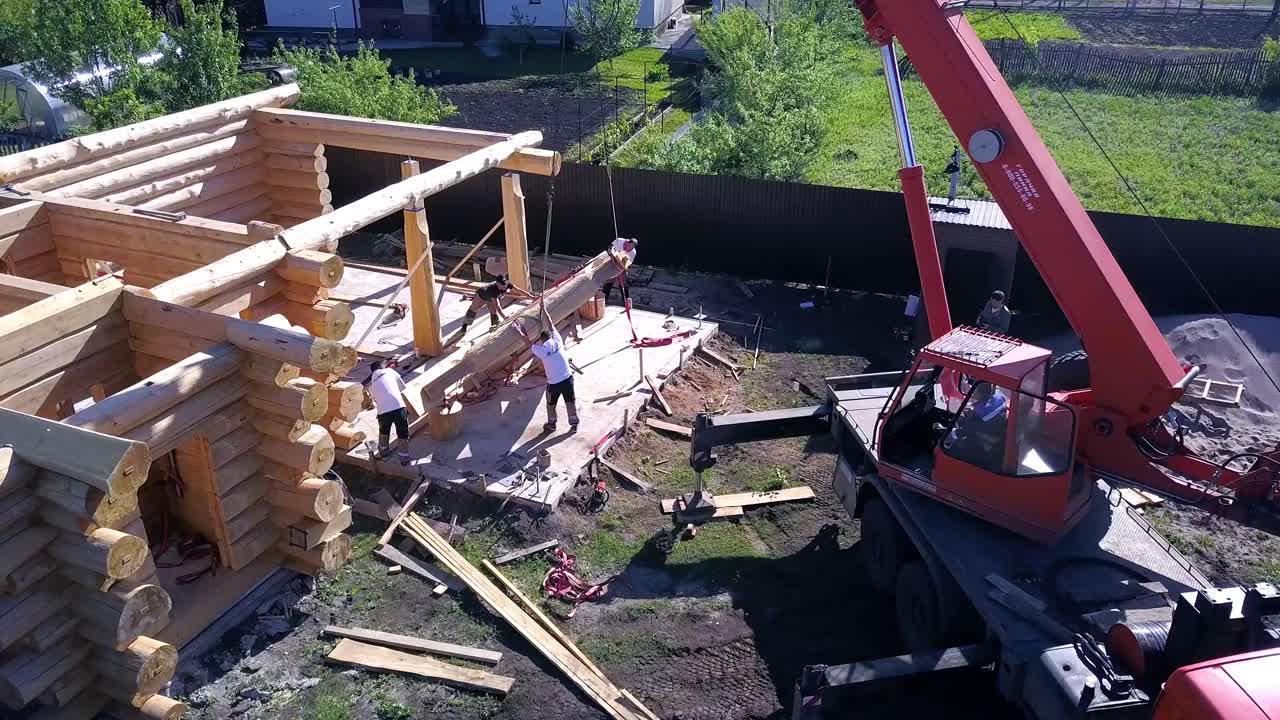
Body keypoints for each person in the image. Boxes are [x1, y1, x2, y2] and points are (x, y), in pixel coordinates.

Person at [518, 302, 579, 433]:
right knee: (570, 400)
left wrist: (518, 330)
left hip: (554, 384)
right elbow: (550, 324)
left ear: (541, 340)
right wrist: (544, 309)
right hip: (568, 379)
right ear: (551, 336)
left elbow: (527, 343)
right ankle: (574, 423)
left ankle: (551, 424)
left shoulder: (542, 351)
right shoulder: (558, 340)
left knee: (551, 403)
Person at [365, 361, 410, 465]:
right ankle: (404, 459)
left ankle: (384, 454)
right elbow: (402, 387)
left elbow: (376, 400)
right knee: (403, 433)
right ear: (382, 367)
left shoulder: (371, 386)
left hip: (383, 413)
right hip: (399, 408)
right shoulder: (390, 371)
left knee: (384, 432)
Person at [460, 274, 534, 334]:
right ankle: (465, 325)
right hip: (482, 295)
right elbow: (497, 305)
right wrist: (505, 317)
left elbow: (519, 290)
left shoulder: (507, 284)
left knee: (494, 312)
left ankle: (495, 326)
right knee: (474, 309)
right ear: (498, 284)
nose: (504, 287)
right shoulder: (493, 289)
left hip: (491, 298)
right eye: (502, 285)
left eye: (505, 284)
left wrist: (531, 297)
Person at [601, 238, 638, 305]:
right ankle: (604, 299)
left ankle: (626, 301)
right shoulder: (619, 241)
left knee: (623, 282)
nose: (629, 249)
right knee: (610, 280)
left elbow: (626, 264)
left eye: (632, 248)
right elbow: (610, 247)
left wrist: (620, 267)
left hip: (622, 264)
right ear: (627, 243)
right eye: (629, 247)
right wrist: (611, 253)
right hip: (612, 260)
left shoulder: (633, 253)